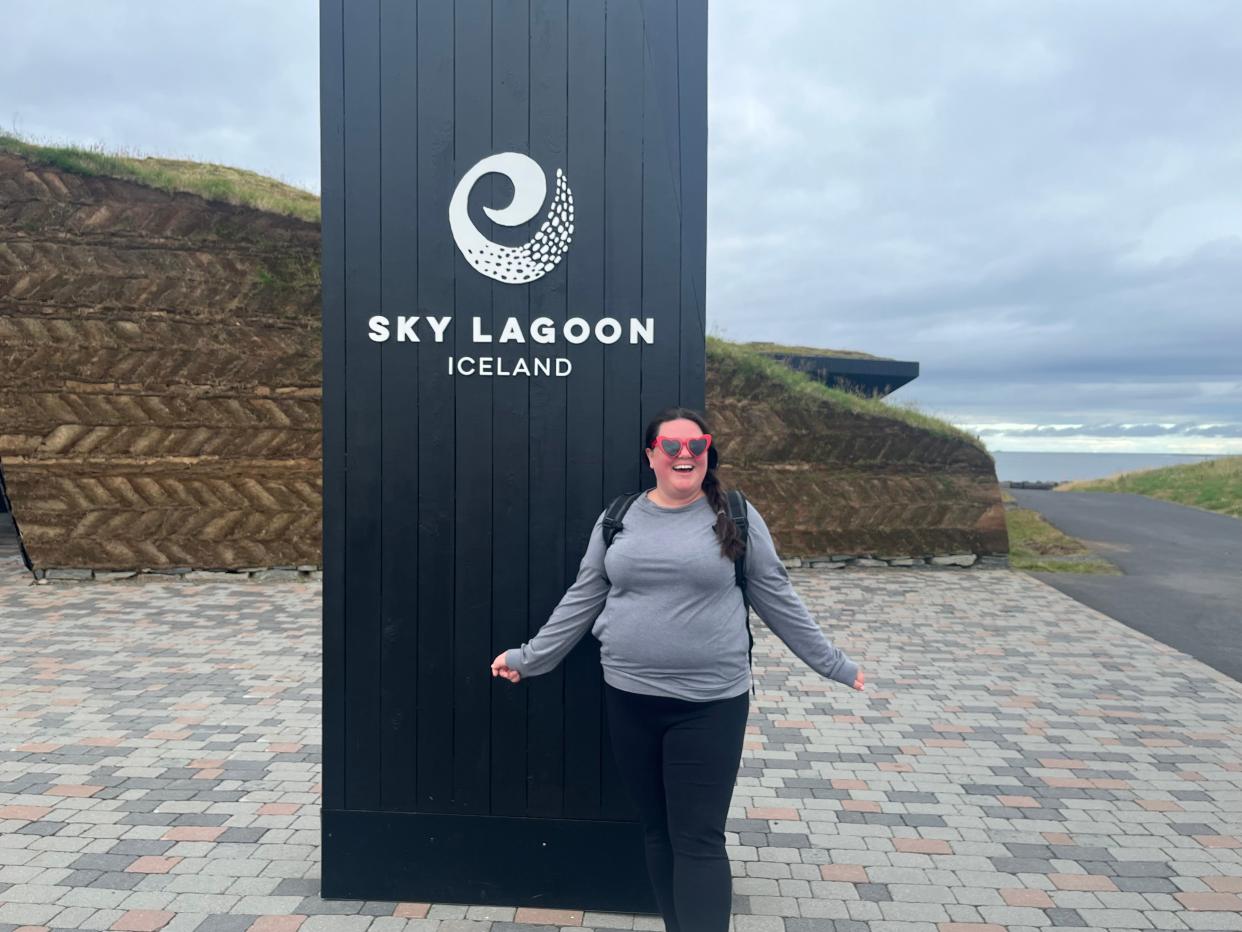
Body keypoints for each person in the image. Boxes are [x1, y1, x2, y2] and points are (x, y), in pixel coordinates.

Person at [490, 406, 865, 932]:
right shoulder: (619, 516)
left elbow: (775, 595)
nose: (684, 454)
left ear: (708, 453)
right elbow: (583, 596)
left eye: (697, 444)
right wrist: (531, 659)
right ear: (651, 456)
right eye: (671, 446)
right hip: (629, 697)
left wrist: (834, 664)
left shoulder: (734, 514)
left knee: (698, 838)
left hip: (709, 705)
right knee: (658, 831)